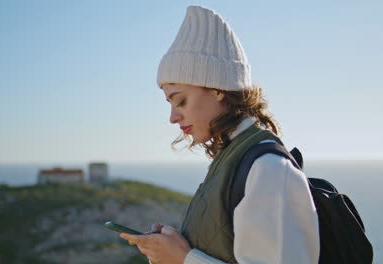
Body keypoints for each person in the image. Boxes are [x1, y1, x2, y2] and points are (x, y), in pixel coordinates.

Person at [120, 5, 319, 264]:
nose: (173, 117)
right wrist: (171, 248)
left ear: (218, 90)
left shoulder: (268, 168)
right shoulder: (232, 158)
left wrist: (183, 258)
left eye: (180, 101)